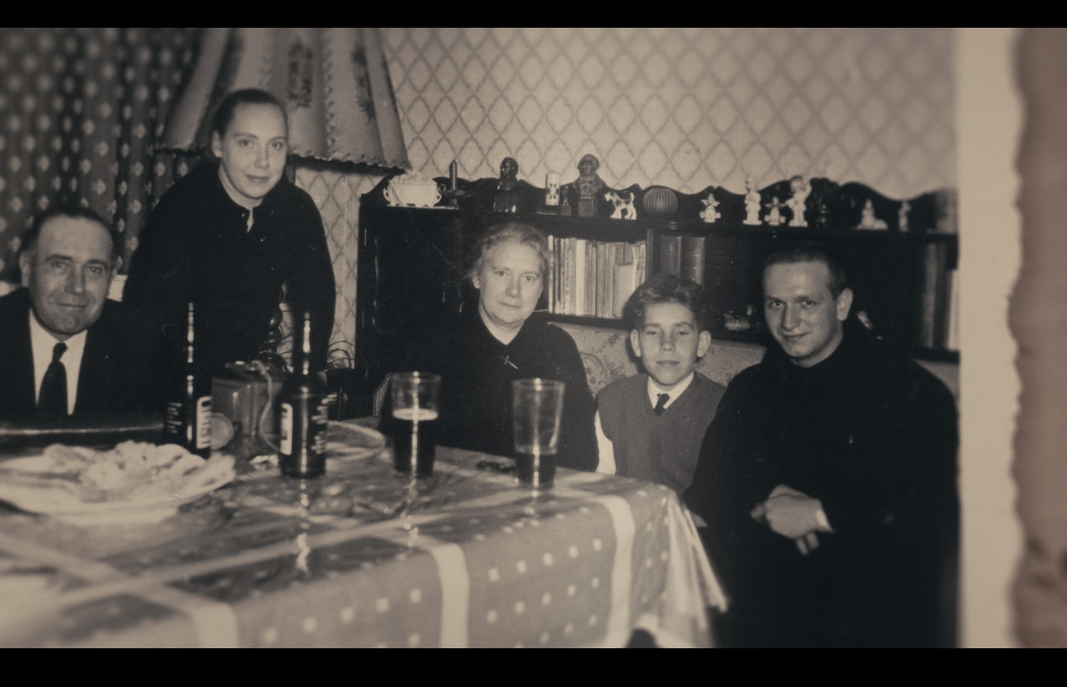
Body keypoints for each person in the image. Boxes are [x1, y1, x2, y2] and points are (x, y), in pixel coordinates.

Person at [682, 241, 959, 647]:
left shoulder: (909, 391)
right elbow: (708, 487)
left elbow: (928, 515)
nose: (789, 321)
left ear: (842, 304)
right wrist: (768, 496)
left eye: (806, 303)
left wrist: (821, 514)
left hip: (865, 613)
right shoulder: (751, 387)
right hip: (762, 604)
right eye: (775, 304)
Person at [124, 88, 336, 372]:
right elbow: (150, 322)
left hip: (240, 376)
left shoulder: (296, 208)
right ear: (219, 145)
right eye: (247, 143)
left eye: (275, 145)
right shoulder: (183, 208)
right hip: (168, 376)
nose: (263, 162)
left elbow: (317, 301)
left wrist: (310, 375)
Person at [0, 207, 167, 445]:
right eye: (59, 265)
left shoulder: (144, 342)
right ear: (27, 269)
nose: (77, 286)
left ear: (111, 277)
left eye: (94, 269)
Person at [398, 222, 598, 472]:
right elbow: (402, 444)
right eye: (502, 273)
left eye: (528, 278)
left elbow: (583, 455)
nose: (514, 291)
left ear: (541, 289)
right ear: (477, 277)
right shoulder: (434, 344)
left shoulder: (558, 346)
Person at [595, 275, 725, 495]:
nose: (667, 345)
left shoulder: (722, 407)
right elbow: (601, 480)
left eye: (681, 333)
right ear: (636, 343)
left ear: (702, 344)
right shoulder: (612, 399)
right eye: (653, 332)